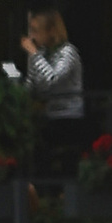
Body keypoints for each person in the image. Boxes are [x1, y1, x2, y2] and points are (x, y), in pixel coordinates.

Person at [21, 9, 85, 148]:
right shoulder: (43, 53)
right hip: (48, 114)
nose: (32, 36)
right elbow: (33, 84)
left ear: (51, 31)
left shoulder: (68, 52)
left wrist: (34, 54)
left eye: (36, 31)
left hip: (68, 116)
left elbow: (53, 79)